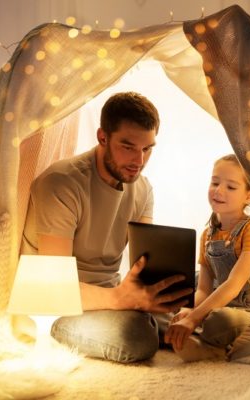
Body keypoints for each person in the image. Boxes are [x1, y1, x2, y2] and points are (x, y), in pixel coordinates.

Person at [21, 91, 192, 363]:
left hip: (114, 298)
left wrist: (161, 296)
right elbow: (55, 287)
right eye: (128, 146)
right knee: (136, 338)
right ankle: (60, 332)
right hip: (60, 306)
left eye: (147, 148)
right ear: (103, 137)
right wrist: (123, 301)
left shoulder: (143, 189)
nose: (139, 160)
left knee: (192, 319)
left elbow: (142, 266)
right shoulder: (61, 184)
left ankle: (160, 322)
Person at [164, 154, 250, 362]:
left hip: (245, 311)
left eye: (231, 187)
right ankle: (204, 342)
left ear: (249, 195)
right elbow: (203, 289)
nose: (218, 190)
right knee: (172, 311)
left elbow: (234, 284)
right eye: (215, 182)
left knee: (219, 320)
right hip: (215, 303)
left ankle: (207, 343)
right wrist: (189, 311)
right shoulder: (207, 235)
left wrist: (195, 317)